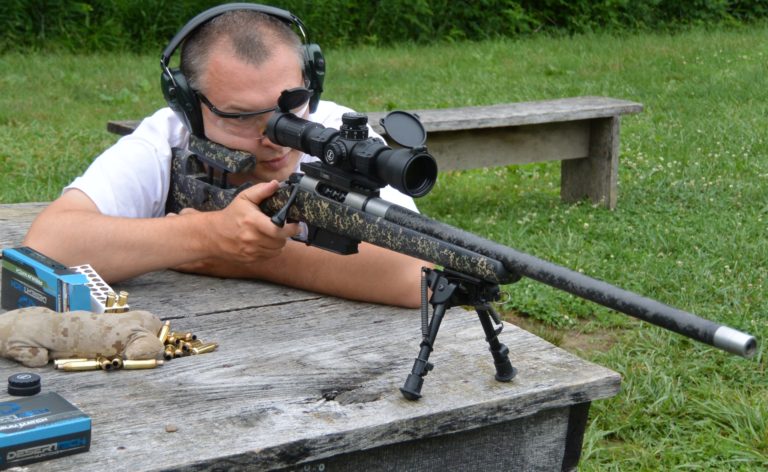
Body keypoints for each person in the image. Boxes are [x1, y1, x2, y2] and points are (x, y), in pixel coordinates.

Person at [23, 5, 427, 308]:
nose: (276, 138)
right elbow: (48, 246)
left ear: (311, 86)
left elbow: (417, 275)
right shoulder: (168, 139)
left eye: (294, 106)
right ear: (187, 106)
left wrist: (253, 258)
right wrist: (204, 236)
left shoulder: (339, 137)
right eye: (241, 117)